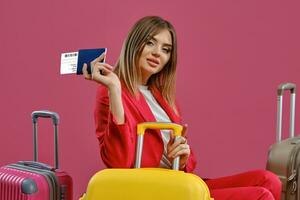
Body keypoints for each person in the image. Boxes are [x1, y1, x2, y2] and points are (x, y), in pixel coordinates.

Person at [83, 16, 281, 200]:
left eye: (166, 49)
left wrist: (183, 157)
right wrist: (115, 89)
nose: (157, 53)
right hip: (153, 187)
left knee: (268, 180)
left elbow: (188, 162)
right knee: (260, 195)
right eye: (150, 42)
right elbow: (118, 162)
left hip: (177, 181)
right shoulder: (111, 91)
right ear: (135, 43)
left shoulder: (163, 97)